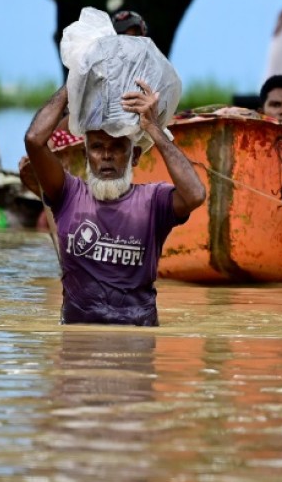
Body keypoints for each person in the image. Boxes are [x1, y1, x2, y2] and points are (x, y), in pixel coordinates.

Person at [23, 81, 206, 327]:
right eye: (97, 147)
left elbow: (195, 194)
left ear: (135, 157)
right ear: (86, 154)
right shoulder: (68, 194)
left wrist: (153, 128)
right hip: (78, 339)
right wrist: (74, 83)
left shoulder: (154, 201)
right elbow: (34, 140)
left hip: (137, 336)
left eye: (118, 147)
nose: (107, 155)